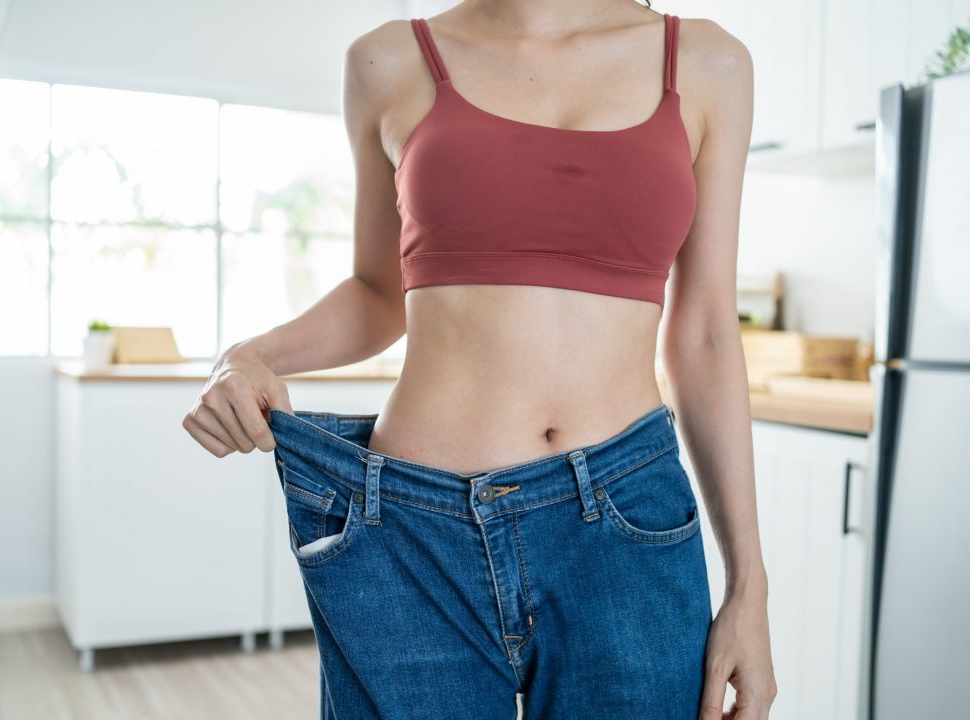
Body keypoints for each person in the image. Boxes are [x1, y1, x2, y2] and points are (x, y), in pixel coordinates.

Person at [184, 1, 776, 718]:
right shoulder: (389, 59)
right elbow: (379, 292)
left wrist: (749, 585)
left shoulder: (709, 64)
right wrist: (246, 356)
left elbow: (707, 329)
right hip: (413, 530)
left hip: (625, 526)